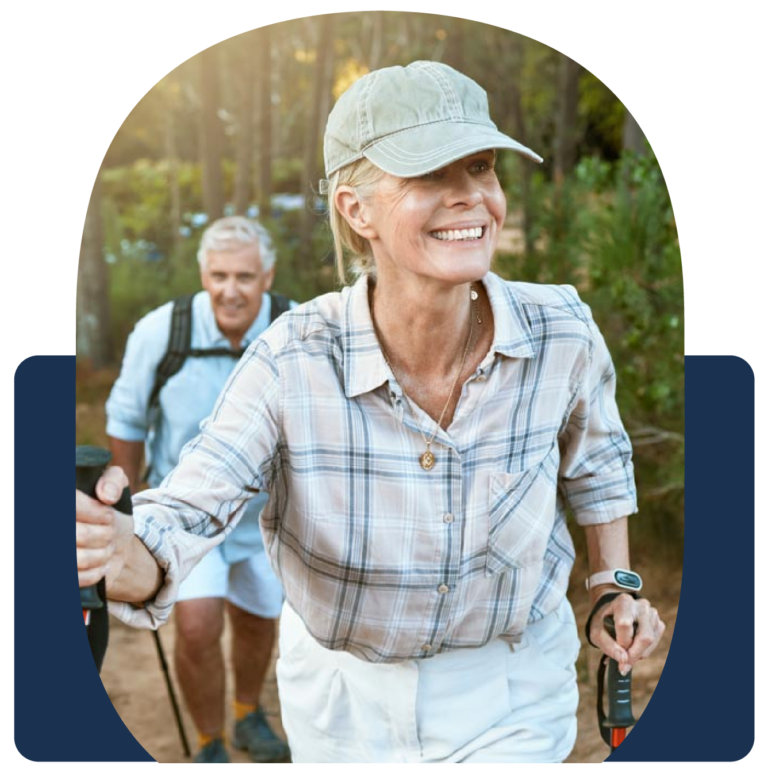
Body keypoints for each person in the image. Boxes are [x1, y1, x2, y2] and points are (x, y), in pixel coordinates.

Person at [77, 61, 666, 764]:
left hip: (510, 684)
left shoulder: (561, 329)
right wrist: (120, 550)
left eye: (480, 166)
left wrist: (612, 585)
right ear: (357, 209)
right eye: (430, 175)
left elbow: (597, 465)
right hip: (340, 696)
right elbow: (189, 507)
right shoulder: (291, 357)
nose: (470, 196)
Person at [104, 216, 293, 764]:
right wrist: (125, 517)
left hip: (267, 516)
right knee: (197, 622)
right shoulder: (163, 332)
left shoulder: (293, 326)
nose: (230, 290)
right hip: (186, 513)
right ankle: (210, 740)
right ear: (202, 274)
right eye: (218, 276)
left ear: (267, 275)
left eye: (244, 276)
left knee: (259, 620)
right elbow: (127, 418)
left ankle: (246, 713)